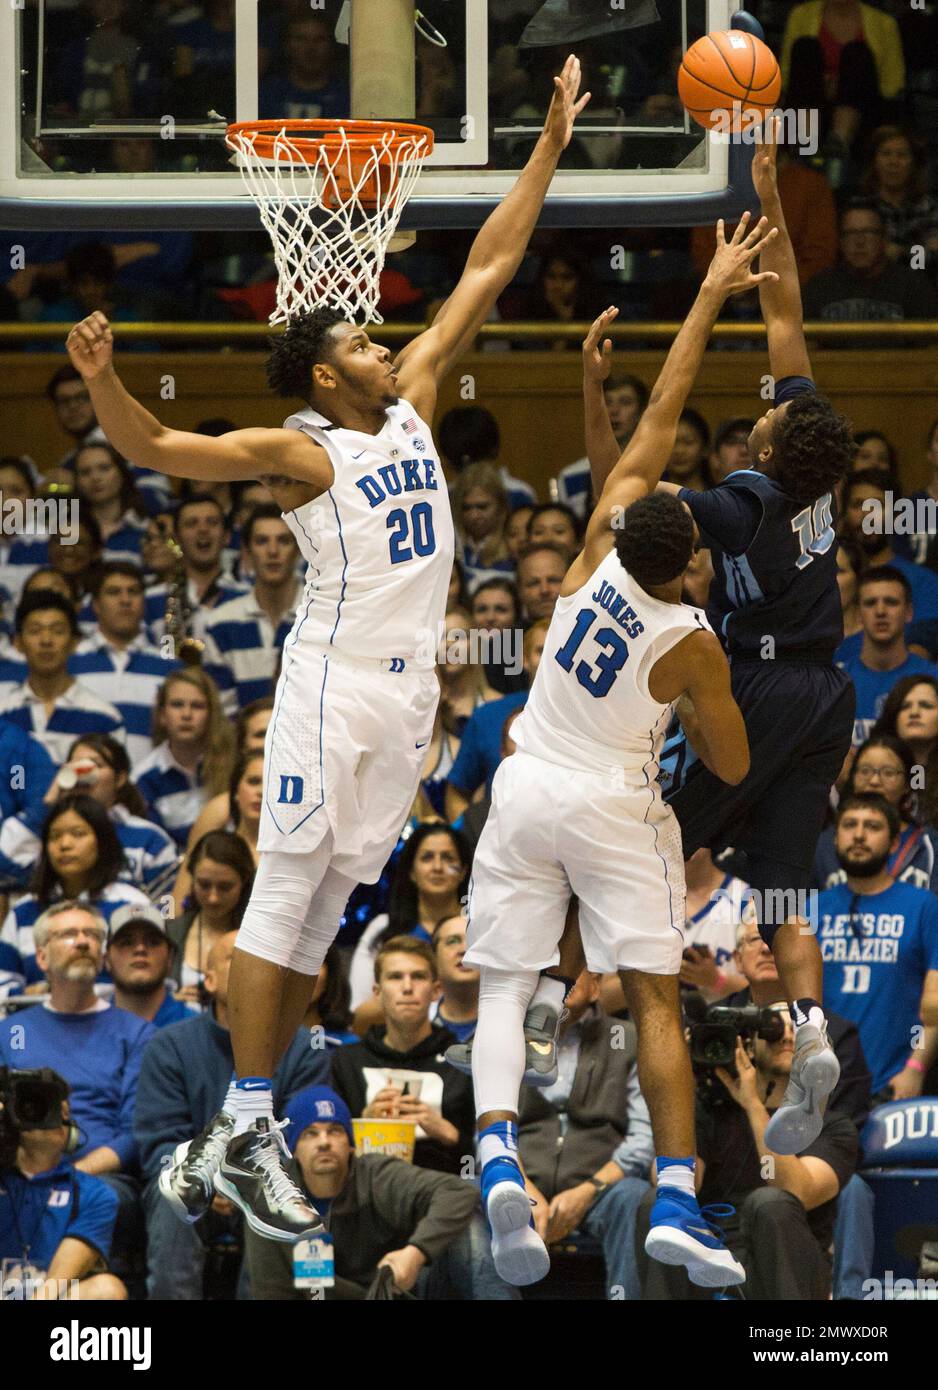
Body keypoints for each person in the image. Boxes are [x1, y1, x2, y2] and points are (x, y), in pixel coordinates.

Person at [65, 55, 590, 1242]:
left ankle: (236, 1123)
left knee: (329, 911)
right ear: (320, 372)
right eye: (358, 335)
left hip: (408, 702)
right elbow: (153, 442)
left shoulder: (408, 394)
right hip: (330, 687)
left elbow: (492, 264)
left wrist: (547, 146)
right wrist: (100, 380)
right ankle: (249, 1114)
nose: (381, 336)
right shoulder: (303, 448)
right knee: (286, 890)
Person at [459, 219, 770, 1288]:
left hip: (526, 778)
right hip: (609, 804)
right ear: (685, 559)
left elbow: (655, 418)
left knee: (504, 985)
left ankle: (495, 1150)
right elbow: (728, 767)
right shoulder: (689, 643)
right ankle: (678, 1196)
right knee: (648, 994)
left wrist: (678, 316)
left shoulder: (593, 544)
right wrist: (717, 691)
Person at [642, 124, 863, 1157]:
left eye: (761, 422)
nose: (760, 415)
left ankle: (595, 995)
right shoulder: (814, 453)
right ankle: (809, 1030)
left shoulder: (747, 499)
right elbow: (784, 306)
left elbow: (650, 508)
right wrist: (769, 192)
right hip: (829, 694)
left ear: (769, 444)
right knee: (783, 882)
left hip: (767, 692)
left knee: (654, 833)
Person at [138, 929, 328, 1300]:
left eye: (267, 963)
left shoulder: (304, 1046)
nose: (259, 967)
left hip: (270, 1179)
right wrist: (215, 1181)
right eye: (239, 958)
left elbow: (309, 1134)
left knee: (291, 1202)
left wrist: (245, 1186)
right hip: (192, 1177)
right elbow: (156, 1140)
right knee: (170, 1196)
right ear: (208, 979)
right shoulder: (170, 1043)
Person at [634, 1007, 859, 1301]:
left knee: (768, 1202)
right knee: (659, 1198)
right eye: (775, 1028)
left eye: (797, 1031)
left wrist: (753, 1105)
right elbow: (663, 1176)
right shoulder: (711, 1111)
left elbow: (797, 1189)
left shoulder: (832, 1126)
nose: (787, 1037)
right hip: (709, 1258)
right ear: (750, 1042)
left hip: (787, 1267)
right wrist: (682, 1080)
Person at [244, 1085, 515, 1301]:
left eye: (335, 1131)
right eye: (310, 1134)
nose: (324, 1142)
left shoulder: (375, 1173)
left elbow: (459, 1191)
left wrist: (415, 1252)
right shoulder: (270, 1201)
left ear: (352, 1145)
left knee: (471, 1220)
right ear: (292, 1150)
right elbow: (272, 1292)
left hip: (395, 1294)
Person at [0, 901, 154, 1259]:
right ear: (41, 957)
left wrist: (71, 1174)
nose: (83, 942)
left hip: (100, 1176)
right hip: (17, 1170)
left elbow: (136, 1134)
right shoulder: (12, 1032)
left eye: (93, 935)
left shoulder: (137, 1034)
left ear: (102, 956)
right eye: (69, 934)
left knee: (93, 1197)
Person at [518, 971, 654, 1301]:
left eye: (575, 967)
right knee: (473, 1195)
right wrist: (521, 1187)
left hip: (602, 1186)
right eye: (549, 969)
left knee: (636, 1197)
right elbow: (490, 1131)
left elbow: (644, 1136)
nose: (562, 974)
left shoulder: (628, 1038)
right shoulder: (507, 1037)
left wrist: (588, 1191)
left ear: (595, 987)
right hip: (522, 1179)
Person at [816, 793, 938, 1100]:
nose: (858, 834)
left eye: (871, 826)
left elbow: (935, 1005)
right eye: (849, 825)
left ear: (895, 843)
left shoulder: (924, 907)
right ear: (834, 838)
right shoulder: (810, 911)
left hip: (893, 1082)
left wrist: (915, 1069)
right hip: (820, 1085)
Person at [332, 936, 476, 1176]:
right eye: (395, 977)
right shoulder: (345, 1062)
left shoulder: (462, 1062)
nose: (407, 987)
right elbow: (325, 1148)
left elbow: (485, 1153)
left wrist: (451, 1136)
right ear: (377, 992)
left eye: (418, 976)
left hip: (447, 1192)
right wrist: (361, 1125)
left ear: (436, 990)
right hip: (365, 1193)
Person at [0, 793, 150, 994]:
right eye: (54, 836)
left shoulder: (132, 904)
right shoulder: (24, 910)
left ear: (102, 842)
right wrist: (26, 994)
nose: (65, 845)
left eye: (78, 834)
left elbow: (150, 977)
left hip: (115, 1021)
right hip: (39, 1020)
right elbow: (3, 984)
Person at [0, 1068, 126, 1301]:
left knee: (107, 1290)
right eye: (32, 1105)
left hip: (50, 1296)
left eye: (59, 1107)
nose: (54, 1115)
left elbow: (58, 1283)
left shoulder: (94, 1194)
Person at [348, 823, 471, 1021]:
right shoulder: (383, 928)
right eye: (427, 858)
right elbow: (359, 1013)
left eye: (448, 858)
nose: (438, 867)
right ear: (412, 871)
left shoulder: (481, 927)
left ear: (464, 871)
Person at [69, 562, 182, 764]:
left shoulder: (170, 668)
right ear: (95, 605)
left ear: (144, 603)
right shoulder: (70, 663)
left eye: (133, 592)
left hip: (149, 788)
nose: (125, 600)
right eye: (114, 592)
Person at [44, 734, 180, 898]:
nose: (82, 774)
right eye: (76, 766)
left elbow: (169, 905)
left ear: (120, 778)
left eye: (95, 765)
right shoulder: (53, 835)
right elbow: (11, 866)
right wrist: (51, 798)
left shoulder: (150, 838)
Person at [0, 591, 125, 765]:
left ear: (74, 642)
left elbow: (113, 786)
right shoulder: (3, 714)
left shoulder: (104, 717)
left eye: (57, 631)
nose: (46, 640)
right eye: (35, 631)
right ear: (18, 643)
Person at [201, 504, 303, 714]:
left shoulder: (321, 616)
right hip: (241, 744)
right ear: (246, 552)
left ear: (299, 549)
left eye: (283, 541)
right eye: (262, 541)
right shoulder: (221, 622)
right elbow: (221, 713)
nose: (273, 551)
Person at [443, 621, 548, 822]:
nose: (551, 656)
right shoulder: (488, 716)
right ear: (524, 659)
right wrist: (472, 838)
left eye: (559, 648)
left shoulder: (592, 717)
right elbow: (457, 792)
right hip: (499, 844)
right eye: (541, 650)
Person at [814, 733, 938, 894]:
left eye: (888, 772)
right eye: (865, 771)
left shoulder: (930, 845)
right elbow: (804, 911)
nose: (874, 781)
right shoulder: (824, 843)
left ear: (908, 783)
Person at [835, 566, 938, 745]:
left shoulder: (934, 679)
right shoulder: (835, 684)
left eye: (891, 602)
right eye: (870, 603)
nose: (880, 611)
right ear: (859, 614)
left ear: (909, 612)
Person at [132, 669, 235, 849]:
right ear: (162, 715)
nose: (186, 714)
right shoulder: (144, 777)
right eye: (177, 704)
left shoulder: (232, 766)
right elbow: (153, 846)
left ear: (212, 714)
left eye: (197, 706)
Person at [801, 200, 938, 331]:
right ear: (841, 242)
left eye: (868, 232)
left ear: (884, 239)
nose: (860, 242)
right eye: (851, 233)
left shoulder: (914, 288)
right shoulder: (818, 288)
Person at [166, 831, 256, 1004]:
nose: (213, 897)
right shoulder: (170, 933)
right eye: (204, 885)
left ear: (244, 882)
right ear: (192, 879)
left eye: (225, 887)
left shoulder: (258, 940)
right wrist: (171, 1003)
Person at [170, 749, 263, 911]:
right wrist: (171, 930)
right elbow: (174, 906)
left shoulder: (291, 851)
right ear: (235, 792)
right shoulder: (211, 846)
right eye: (254, 781)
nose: (261, 792)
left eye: (272, 784)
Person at [840, 472, 938, 623]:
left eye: (877, 505)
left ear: (897, 515)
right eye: (858, 504)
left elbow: (923, 640)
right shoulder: (828, 577)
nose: (867, 514)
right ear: (844, 513)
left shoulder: (924, 583)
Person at [557, 373, 649, 521]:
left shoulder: (657, 469)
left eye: (625, 402)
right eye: (607, 402)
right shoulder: (571, 477)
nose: (614, 411)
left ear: (641, 412)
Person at [105, 902, 195, 1028]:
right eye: (126, 942)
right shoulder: (88, 1030)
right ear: (107, 959)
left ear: (170, 957)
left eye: (153, 942)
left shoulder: (198, 1030)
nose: (140, 949)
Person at [72, 443, 147, 564]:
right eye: (85, 472)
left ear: (122, 473)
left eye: (104, 468)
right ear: (77, 481)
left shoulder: (146, 528)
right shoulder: (66, 531)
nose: (95, 477)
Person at [451, 462, 515, 593]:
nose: (474, 515)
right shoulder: (452, 548)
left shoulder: (514, 548)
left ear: (500, 506)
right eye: (466, 508)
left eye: (482, 507)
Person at [430, 914, 479, 1043]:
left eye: (473, 940)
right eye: (452, 941)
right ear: (434, 958)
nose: (464, 949)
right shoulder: (417, 1021)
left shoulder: (515, 1020)